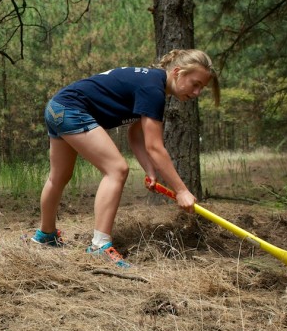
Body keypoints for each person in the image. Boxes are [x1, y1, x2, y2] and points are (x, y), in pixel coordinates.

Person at [32, 49, 219, 268]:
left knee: (59, 177)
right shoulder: (153, 89)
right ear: (177, 72)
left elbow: (136, 134)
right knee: (117, 169)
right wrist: (181, 190)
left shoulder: (151, 83)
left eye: (201, 88)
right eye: (195, 84)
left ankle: (46, 236)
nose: (197, 92)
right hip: (72, 109)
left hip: (57, 107)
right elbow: (155, 147)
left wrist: (150, 170)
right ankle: (99, 246)